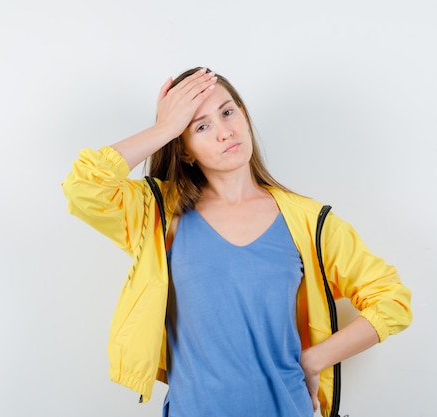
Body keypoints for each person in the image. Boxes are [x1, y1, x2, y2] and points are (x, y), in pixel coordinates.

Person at [62, 67, 412, 417]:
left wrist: (313, 360)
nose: (224, 132)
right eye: (201, 126)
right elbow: (84, 188)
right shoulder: (157, 214)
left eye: (227, 112)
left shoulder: (310, 222)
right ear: (184, 151)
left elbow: (392, 301)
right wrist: (165, 128)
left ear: (243, 115)